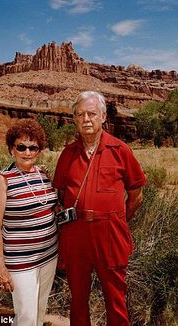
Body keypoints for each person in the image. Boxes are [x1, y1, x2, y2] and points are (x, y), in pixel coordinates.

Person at [53, 91, 147, 326]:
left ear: (103, 116)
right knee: (78, 298)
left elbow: (136, 195)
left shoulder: (120, 150)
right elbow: (59, 195)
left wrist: (117, 220)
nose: (86, 119)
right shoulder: (67, 154)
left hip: (110, 234)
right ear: (74, 118)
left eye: (92, 113)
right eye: (80, 114)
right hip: (76, 234)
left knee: (115, 299)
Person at [0, 119, 58, 326]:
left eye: (33, 147)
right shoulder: (3, 180)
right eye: (21, 147)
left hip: (49, 256)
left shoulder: (43, 174)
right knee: (25, 316)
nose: (27, 152)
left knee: (39, 310)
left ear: (39, 150)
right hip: (21, 262)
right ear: (12, 149)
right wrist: (0, 266)